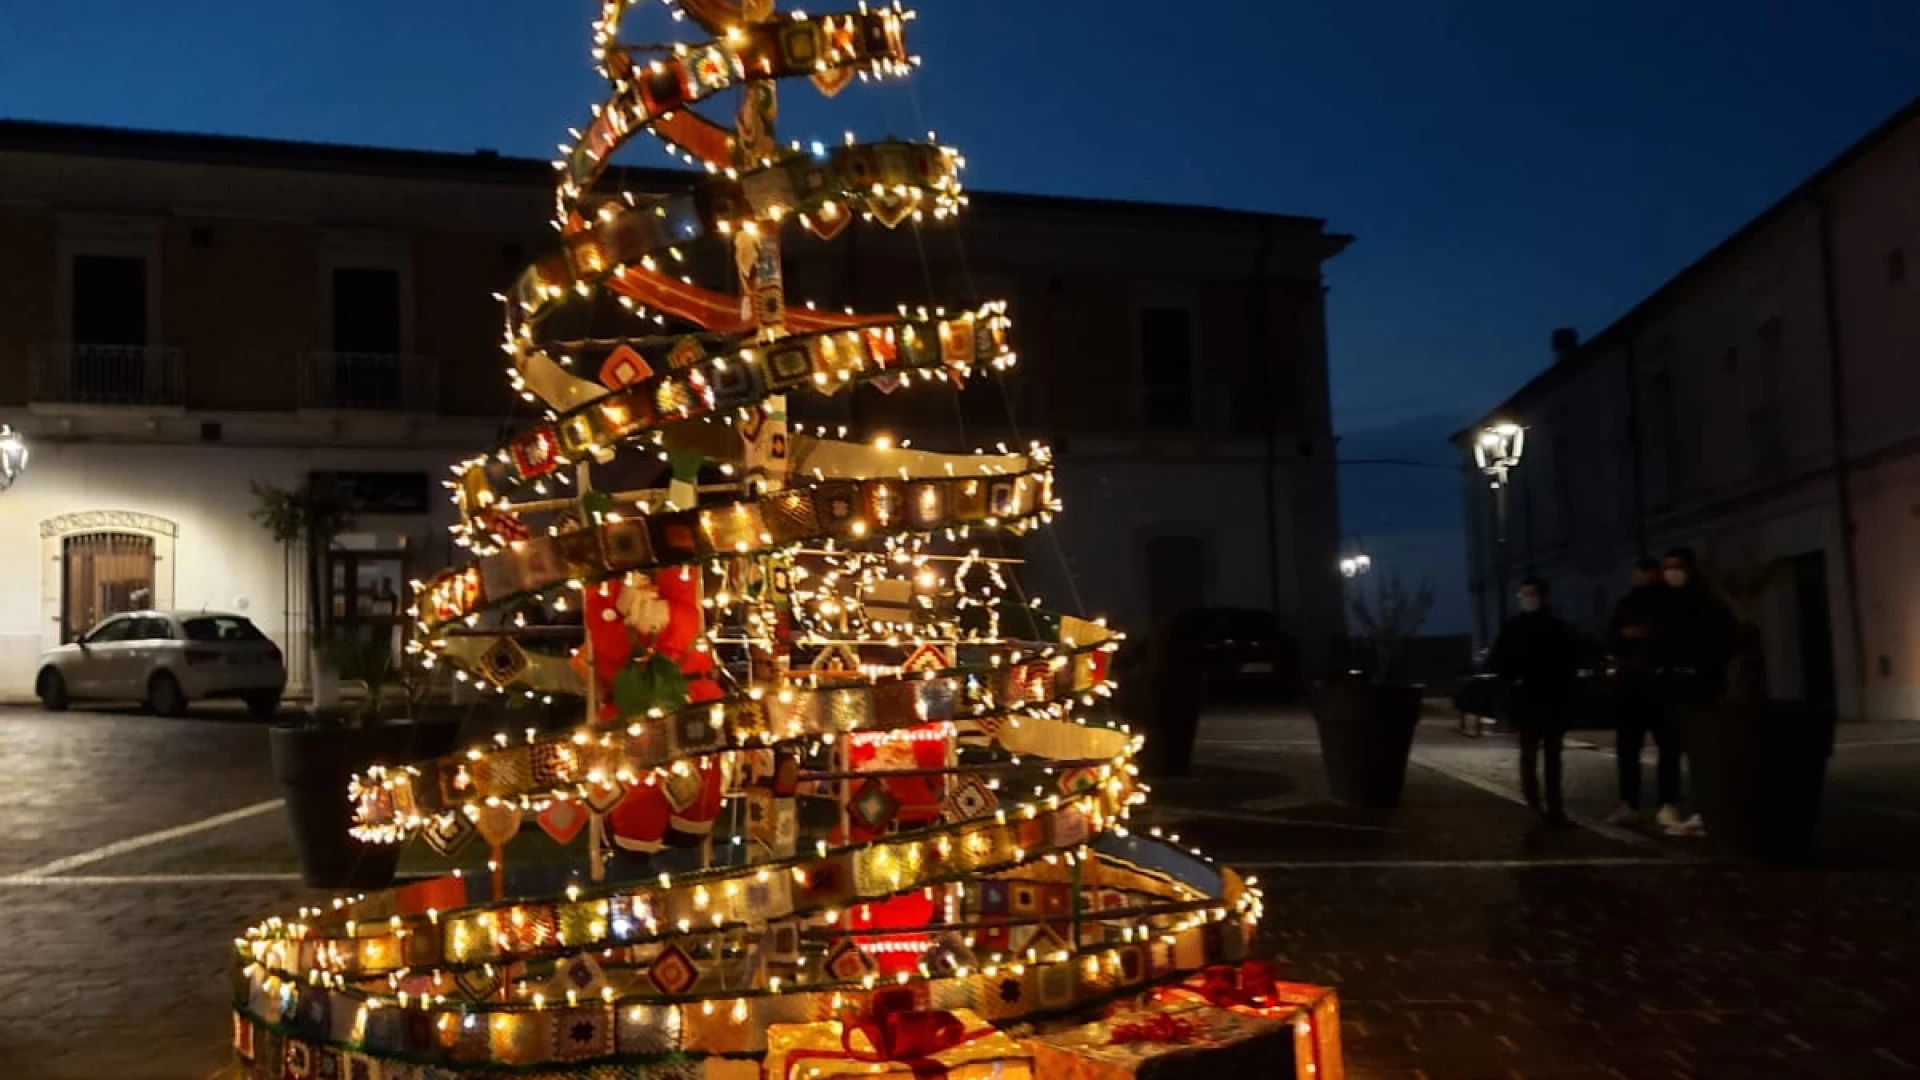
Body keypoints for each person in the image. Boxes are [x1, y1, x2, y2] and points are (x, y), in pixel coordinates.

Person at [1651, 546, 1734, 837]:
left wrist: (1701, 668)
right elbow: (1657, 643)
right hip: (1671, 687)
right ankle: (1668, 803)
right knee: (1669, 750)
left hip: (1700, 686)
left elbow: (1723, 642)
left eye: (1677, 567)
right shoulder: (1665, 606)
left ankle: (1704, 808)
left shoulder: (1708, 605)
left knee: (1702, 752)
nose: (1671, 573)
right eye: (1667, 567)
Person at [1491, 577, 1582, 826]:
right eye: (1524, 595)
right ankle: (1537, 803)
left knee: (1550, 758)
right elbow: (1501, 663)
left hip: (1550, 700)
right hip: (1530, 701)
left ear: (1544, 597)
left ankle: (1552, 808)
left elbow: (1569, 662)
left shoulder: (1556, 628)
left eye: (1531, 595)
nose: (1527, 599)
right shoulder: (1517, 628)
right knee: (1532, 755)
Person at [1603, 557, 1677, 826]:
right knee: (1630, 748)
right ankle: (1632, 803)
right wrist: (1626, 636)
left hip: (1658, 684)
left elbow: (1674, 636)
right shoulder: (1627, 603)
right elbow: (1610, 637)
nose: (1642, 578)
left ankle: (1666, 803)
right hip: (1632, 685)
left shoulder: (1669, 603)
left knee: (1666, 747)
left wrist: (1644, 635)